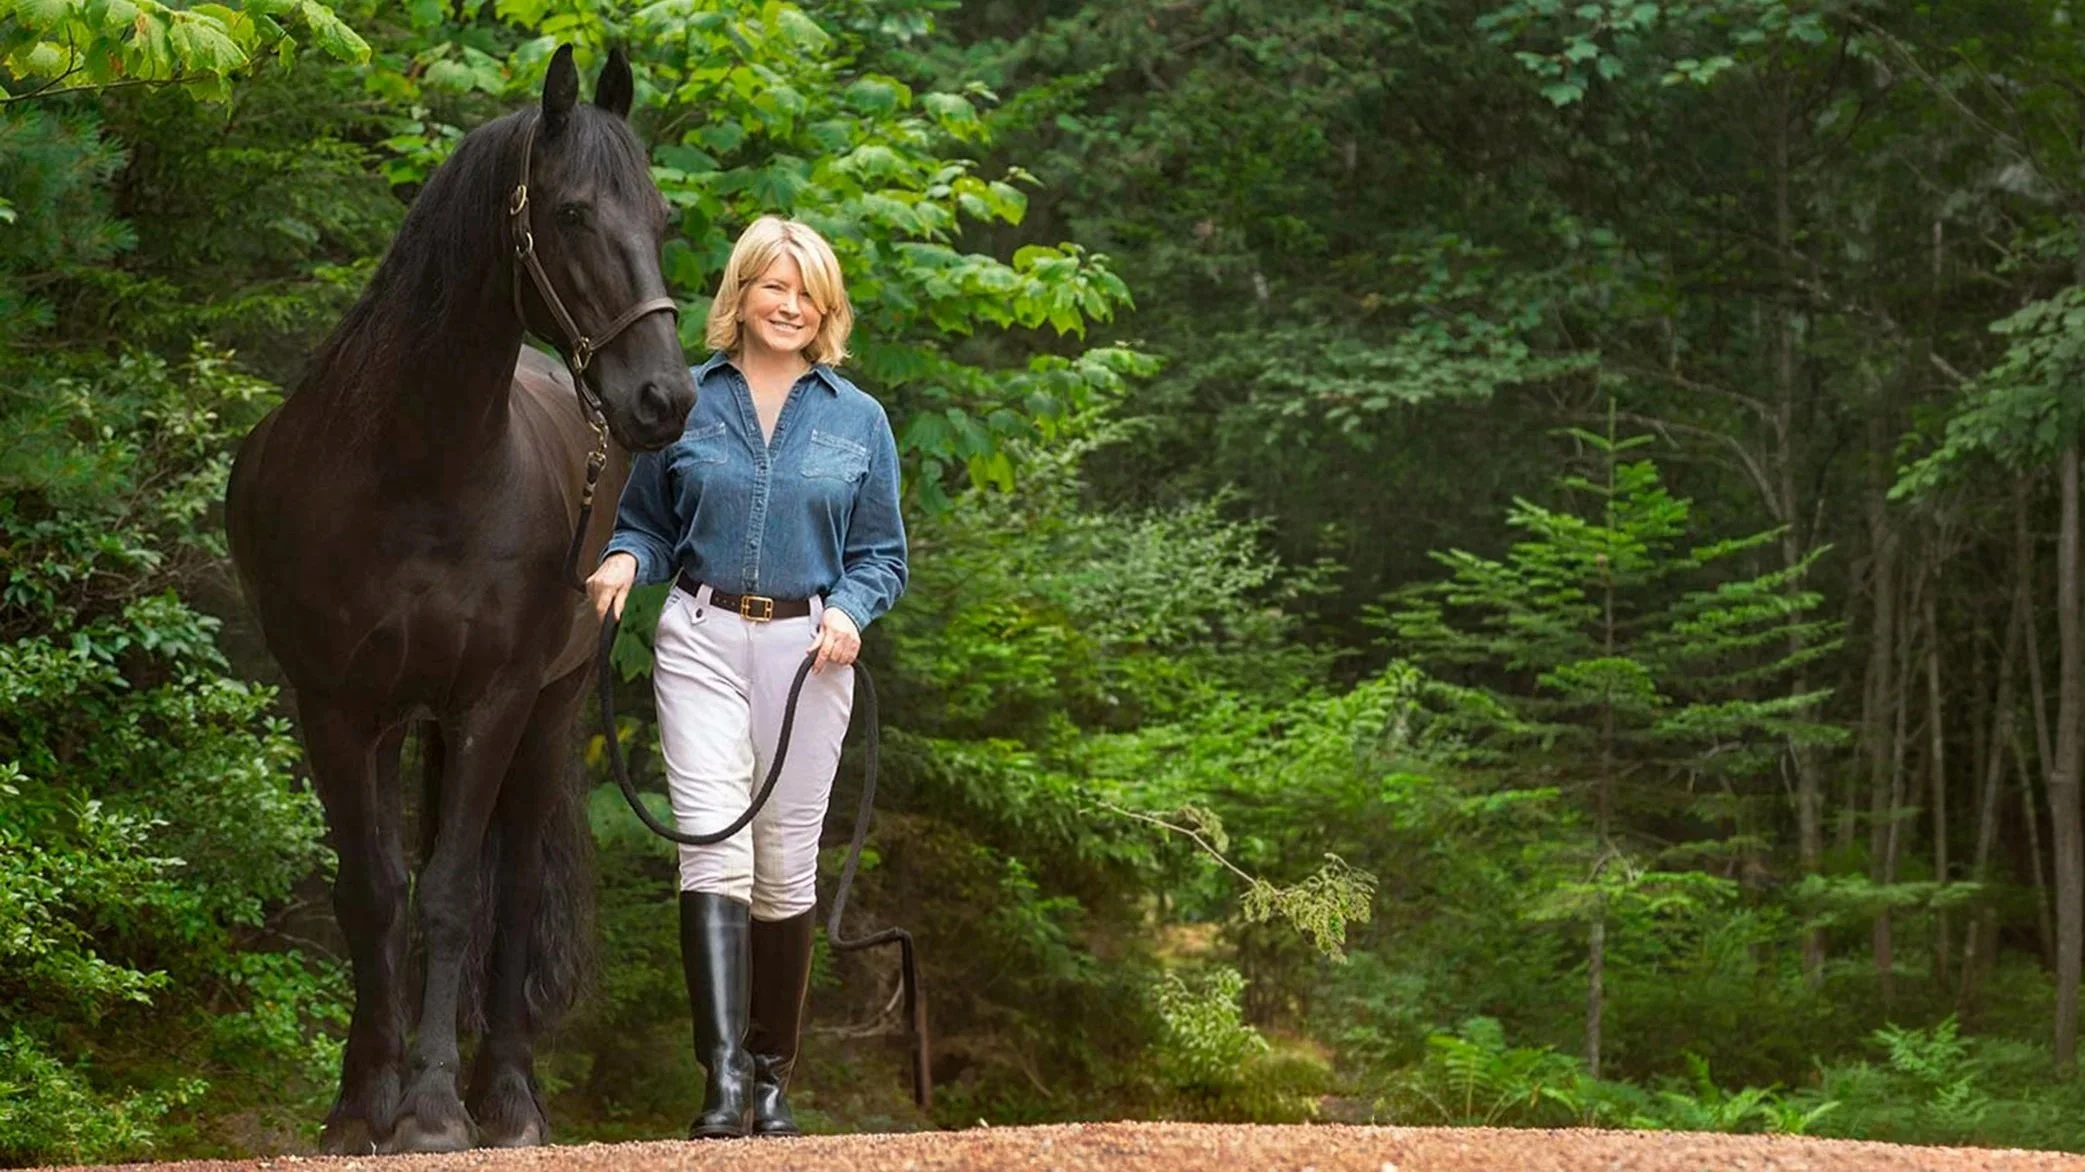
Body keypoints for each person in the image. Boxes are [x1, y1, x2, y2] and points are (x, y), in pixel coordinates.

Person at [585, 215, 907, 1140]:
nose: (790, 305)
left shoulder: (860, 420)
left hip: (810, 652)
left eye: (808, 292)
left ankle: (772, 1079)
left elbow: (881, 556)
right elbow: (645, 520)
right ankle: (722, 1083)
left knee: (782, 863)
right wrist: (622, 562)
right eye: (775, 285)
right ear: (742, 294)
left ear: (827, 309)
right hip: (700, 638)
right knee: (710, 846)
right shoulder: (684, 398)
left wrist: (850, 610)